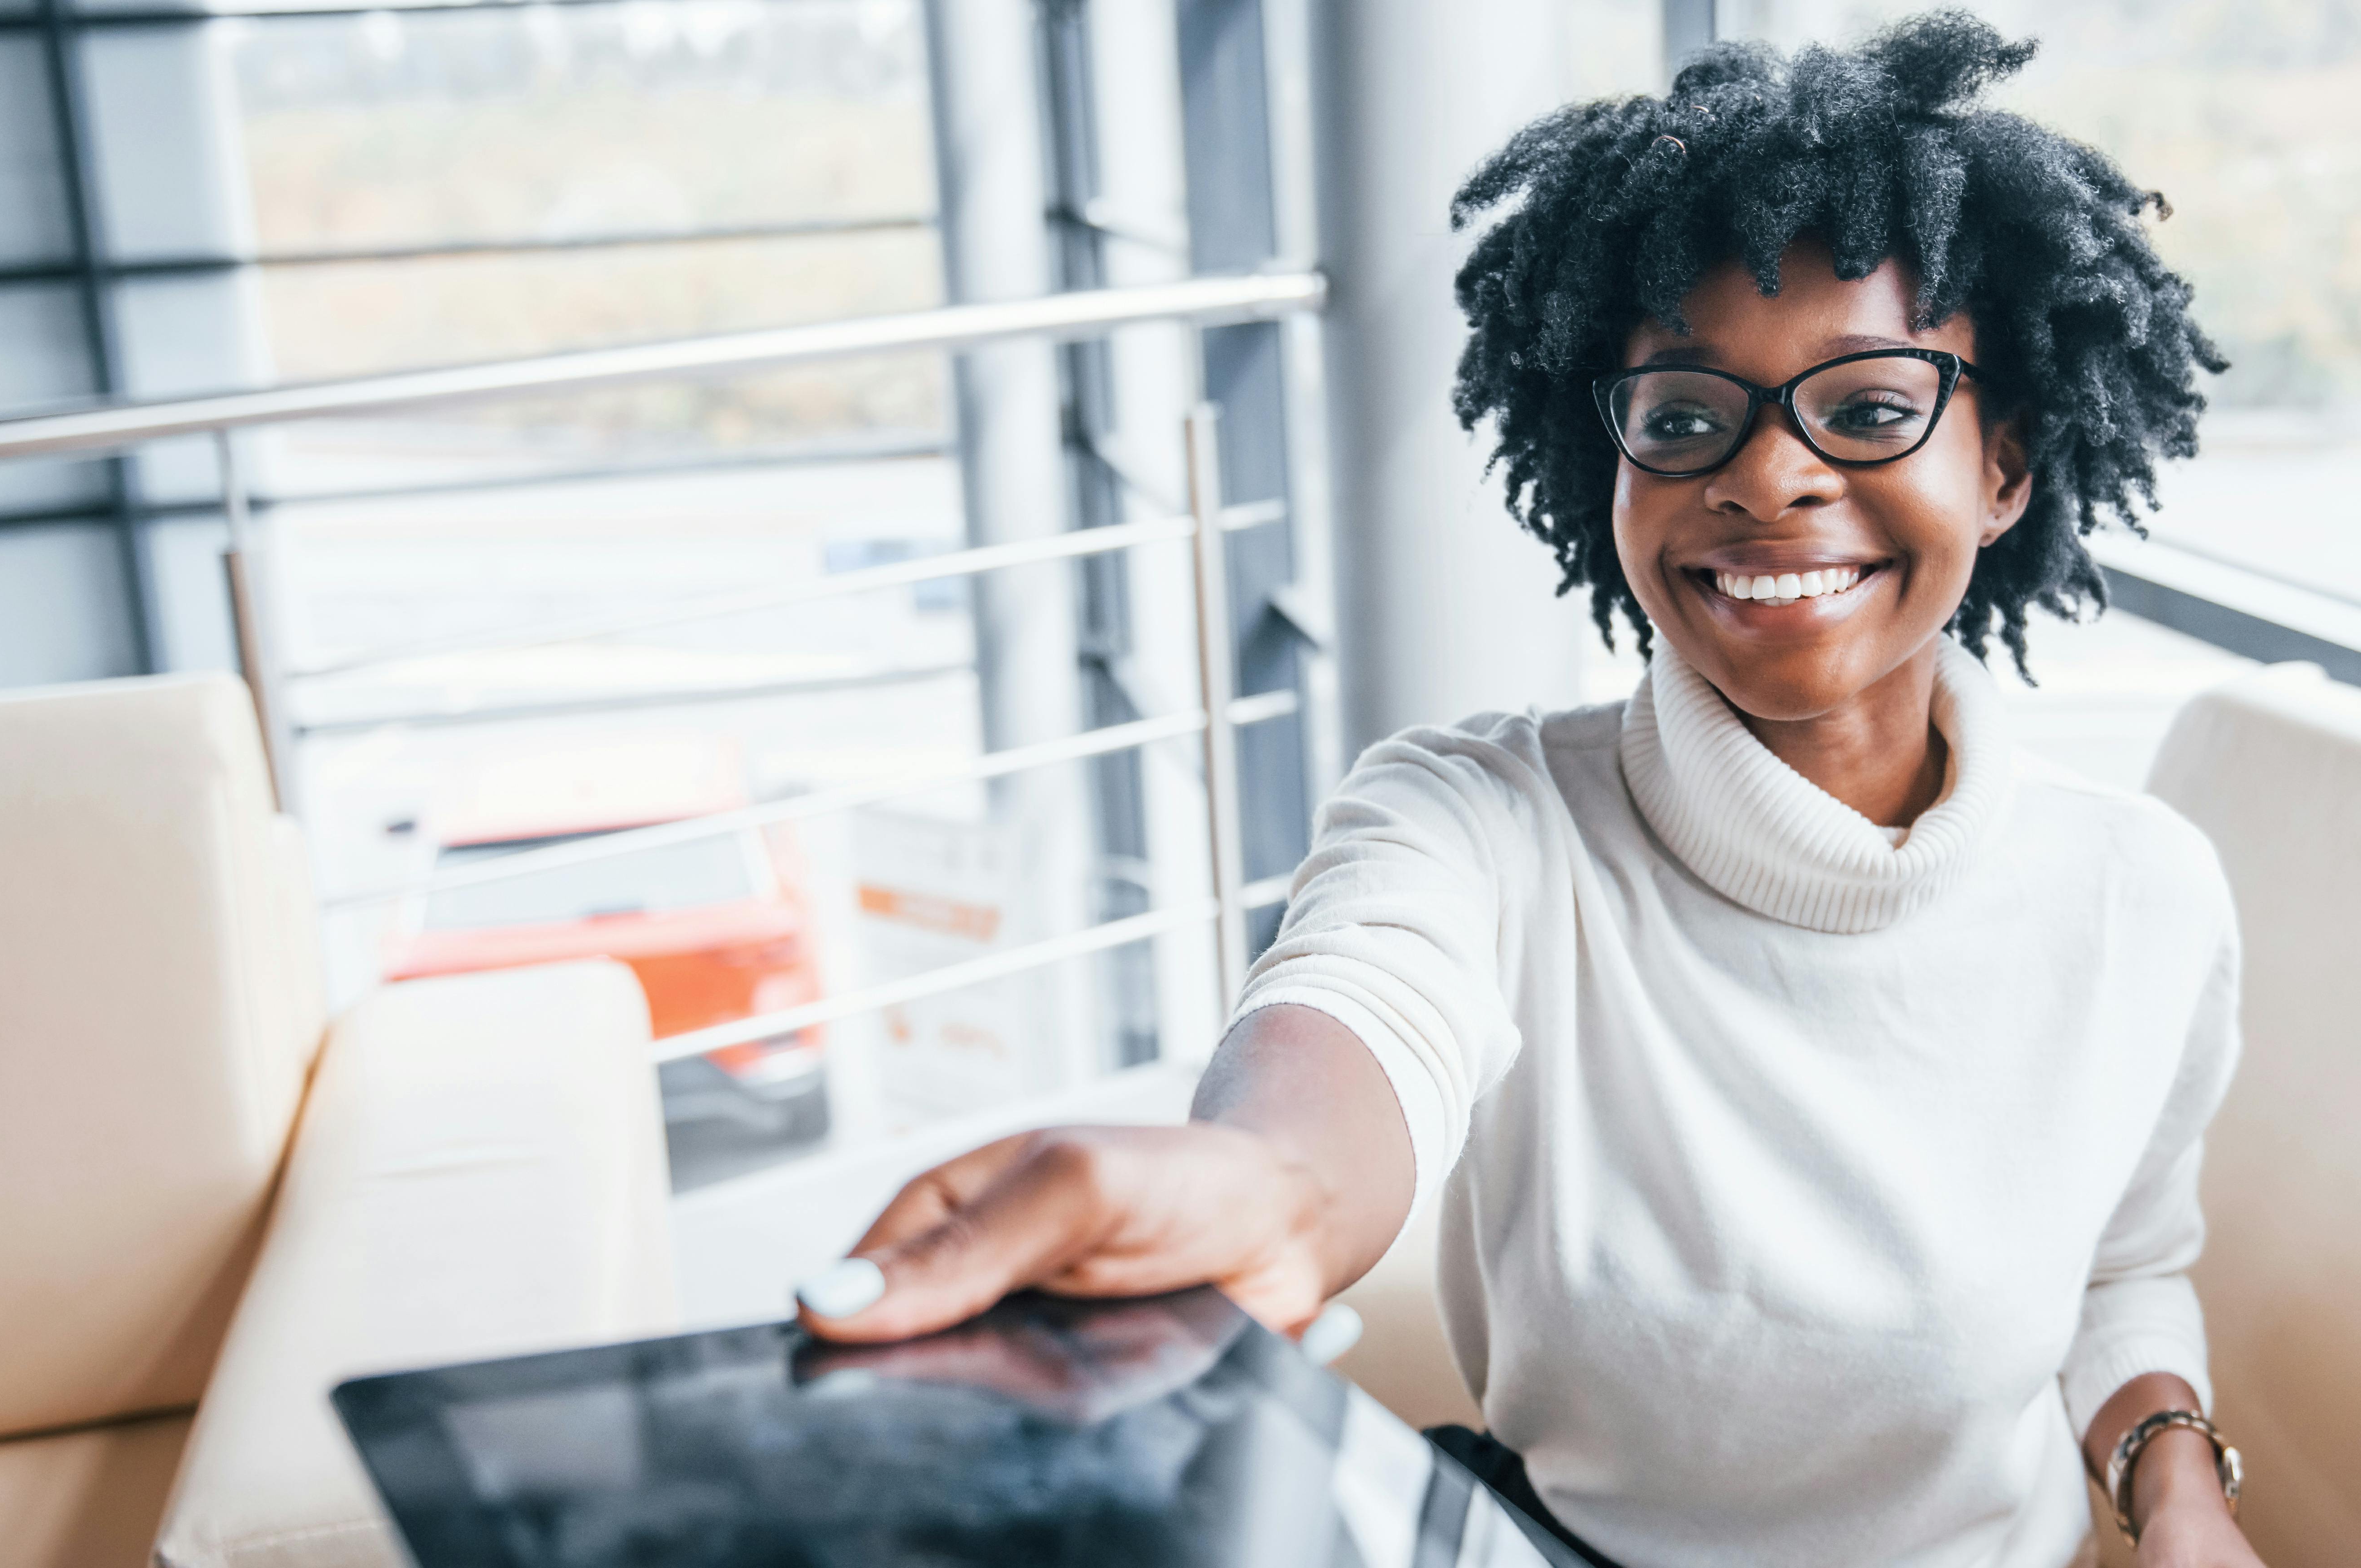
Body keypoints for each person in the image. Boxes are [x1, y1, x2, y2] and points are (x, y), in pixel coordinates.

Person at [795, 13, 2262, 1566]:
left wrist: (2178, 1486)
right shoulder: (1478, 817)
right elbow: (1365, 1011)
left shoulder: (2142, 892)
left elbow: (2123, 1260)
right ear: (1614, 472)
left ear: (2007, 468)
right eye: (1686, 417)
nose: (1768, 478)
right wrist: (1264, 1186)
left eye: (1872, 405)